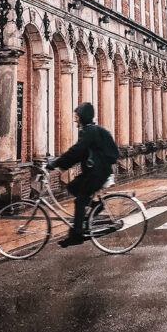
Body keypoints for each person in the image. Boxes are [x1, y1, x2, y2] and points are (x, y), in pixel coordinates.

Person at [46, 102, 119, 247]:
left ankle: (76, 235)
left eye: (77, 116)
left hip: (97, 173)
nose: (75, 119)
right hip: (95, 171)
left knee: (80, 201)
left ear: (83, 117)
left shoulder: (90, 131)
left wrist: (56, 163)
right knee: (72, 187)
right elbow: (79, 154)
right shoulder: (89, 130)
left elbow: (77, 151)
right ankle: (96, 206)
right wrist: (62, 164)